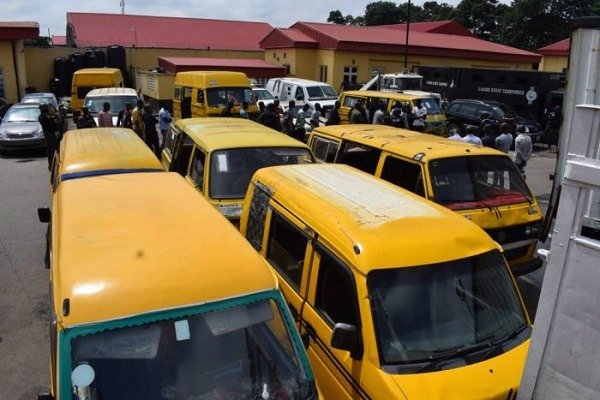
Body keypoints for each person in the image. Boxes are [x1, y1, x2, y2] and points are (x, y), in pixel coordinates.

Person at [38, 103, 58, 169]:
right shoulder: (43, 117)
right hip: (49, 134)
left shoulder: (44, 116)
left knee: (53, 148)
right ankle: (51, 165)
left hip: (50, 133)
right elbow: (51, 122)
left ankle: (52, 164)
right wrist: (53, 118)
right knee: (51, 149)